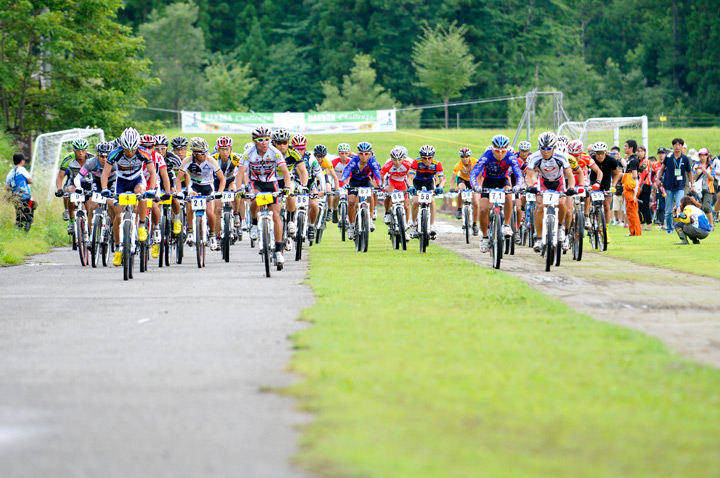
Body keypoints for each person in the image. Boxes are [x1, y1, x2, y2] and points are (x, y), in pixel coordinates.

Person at [237, 126, 294, 265]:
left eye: (267, 140)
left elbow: (285, 172)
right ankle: (255, 224)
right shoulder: (248, 153)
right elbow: (240, 174)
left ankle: (279, 251)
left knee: (276, 215)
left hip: (271, 183)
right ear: (254, 140)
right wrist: (239, 189)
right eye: (260, 140)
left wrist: (286, 187)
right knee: (255, 201)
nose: (264, 143)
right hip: (255, 183)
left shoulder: (275, 152)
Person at [101, 128, 157, 267]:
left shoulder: (143, 152)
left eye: (132, 150)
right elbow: (105, 174)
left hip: (137, 180)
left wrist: (152, 189)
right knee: (118, 216)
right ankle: (119, 248)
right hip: (121, 182)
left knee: (141, 192)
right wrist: (104, 189)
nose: (130, 153)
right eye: (127, 150)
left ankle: (142, 225)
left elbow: (152, 172)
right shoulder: (116, 153)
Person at [469, 135, 524, 252]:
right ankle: (484, 237)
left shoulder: (510, 156)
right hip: (488, 181)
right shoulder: (487, 156)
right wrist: (475, 186)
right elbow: (474, 173)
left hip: (502, 180)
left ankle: (507, 225)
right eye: (497, 151)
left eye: (503, 151)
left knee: (509, 195)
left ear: (506, 150)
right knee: (483, 209)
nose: (500, 154)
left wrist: (518, 186)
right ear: (493, 149)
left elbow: (518, 173)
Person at [524, 132, 576, 252]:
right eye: (543, 148)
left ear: (554, 148)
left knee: (562, 203)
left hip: (559, 183)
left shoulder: (561, 157)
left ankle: (560, 228)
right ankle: (539, 237)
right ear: (539, 147)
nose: (545, 151)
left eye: (548, 149)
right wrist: (531, 186)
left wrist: (571, 188)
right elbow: (529, 176)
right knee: (541, 206)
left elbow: (570, 175)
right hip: (543, 182)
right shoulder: (534, 157)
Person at [176, 137, 225, 251]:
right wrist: (179, 192)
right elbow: (178, 179)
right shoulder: (187, 161)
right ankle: (190, 231)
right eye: (202, 154)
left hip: (208, 186)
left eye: (206, 152)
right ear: (194, 154)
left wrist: (219, 193)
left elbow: (222, 179)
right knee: (189, 205)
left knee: (210, 212)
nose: (205, 155)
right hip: (193, 186)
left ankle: (212, 235)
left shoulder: (210, 160)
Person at [340, 141, 382, 240]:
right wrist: (345, 183)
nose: (363, 156)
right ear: (358, 153)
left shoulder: (372, 162)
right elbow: (346, 172)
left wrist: (380, 184)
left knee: (371, 196)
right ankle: (350, 225)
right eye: (361, 154)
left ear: (370, 154)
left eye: (366, 154)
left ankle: (370, 219)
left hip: (365, 180)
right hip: (354, 181)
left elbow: (377, 174)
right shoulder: (354, 161)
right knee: (351, 202)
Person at [407, 144, 446, 239]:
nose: (427, 160)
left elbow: (443, 179)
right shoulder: (416, 162)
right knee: (415, 201)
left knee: (432, 201)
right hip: (417, 181)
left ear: (433, 156)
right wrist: (411, 187)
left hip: (430, 182)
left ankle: (432, 226)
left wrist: (440, 187)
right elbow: (409, 178)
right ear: (421, 157)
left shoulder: (437, 163)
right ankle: (414, 224)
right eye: (424, 158)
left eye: (430, 157)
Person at [655, 138, 693, 233]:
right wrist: (657, 179)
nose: (677, 146)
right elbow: (662, 169)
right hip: (668, 186)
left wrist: (692, 185)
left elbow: (690, 173)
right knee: (668, 210)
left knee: (679, 207)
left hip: (680, 186)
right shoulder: (668, 157)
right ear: (673, 146)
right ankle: (669, 229)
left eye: (679, 145)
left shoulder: (685, 159)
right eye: (675, 145)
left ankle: (680, 228)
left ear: (682, 146)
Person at [589, 142, 621, 231]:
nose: (600, 155)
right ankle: (590, 217)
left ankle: (605, 229)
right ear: (594, 153)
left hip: (606, 183)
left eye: (602, 153)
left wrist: (613, 185)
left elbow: (616, 174)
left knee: (607, 206)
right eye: (597, 153)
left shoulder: (611, 160)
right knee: (590, 201)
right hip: (594, 183)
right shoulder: (591, 159)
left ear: (605, 153)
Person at [450, 147, 479, 235]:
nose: (465, 159)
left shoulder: (475, 162)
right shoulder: (458, 165)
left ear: (470, 156)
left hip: (473, 180)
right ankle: (459, 209)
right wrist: (451, 188)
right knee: (460, 188)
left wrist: (478, 185)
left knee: (476, 203)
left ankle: (474, 224)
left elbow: (480, 174)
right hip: (462, 179)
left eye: (467, 156)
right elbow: (453, 178)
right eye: (462, 157)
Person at [5, 152, 34, 231]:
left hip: (15, 197)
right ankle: (26, 231)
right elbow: (30, 180)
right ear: (22, 161)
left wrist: (14, 187)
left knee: (19, 216)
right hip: (25, 196)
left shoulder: (10, 173)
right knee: (28, 215)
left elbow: (7, 187)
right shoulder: (22, 169)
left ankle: (18, 231)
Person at [622, 140, 641, 236]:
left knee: (632, 210)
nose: (624, 148)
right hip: (629, 187)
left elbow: (634, 175)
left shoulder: (633, 160)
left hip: (632, 188)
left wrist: (625, 175)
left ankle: (635, 231)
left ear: (631, 148)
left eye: (626, 146)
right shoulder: (630, 159)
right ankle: (633, 231)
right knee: (630, 210)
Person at [330, 143, 352, 223]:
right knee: (336, 195)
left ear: (348, 153)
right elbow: (328, 172)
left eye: (346, 153)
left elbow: (353, 175)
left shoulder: (351, 162)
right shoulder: (334, 162)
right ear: (339, 153)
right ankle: (335, 210)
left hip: (348, 182)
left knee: (351, 198)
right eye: (342, 153)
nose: (344, 155)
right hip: (337, 182)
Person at [692, 147, 714, 228]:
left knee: (706, 207)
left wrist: (706, 172)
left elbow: (712, 178)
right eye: (700, 155)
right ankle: (701, 224)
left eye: (704, 155)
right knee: (698, 207)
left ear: (707, 155)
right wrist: (696, 174)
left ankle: (711, 224)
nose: (702, 157)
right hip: (698, 189)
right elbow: (693, 178)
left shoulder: (711, 166)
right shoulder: (695, 165)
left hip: (708, 188)